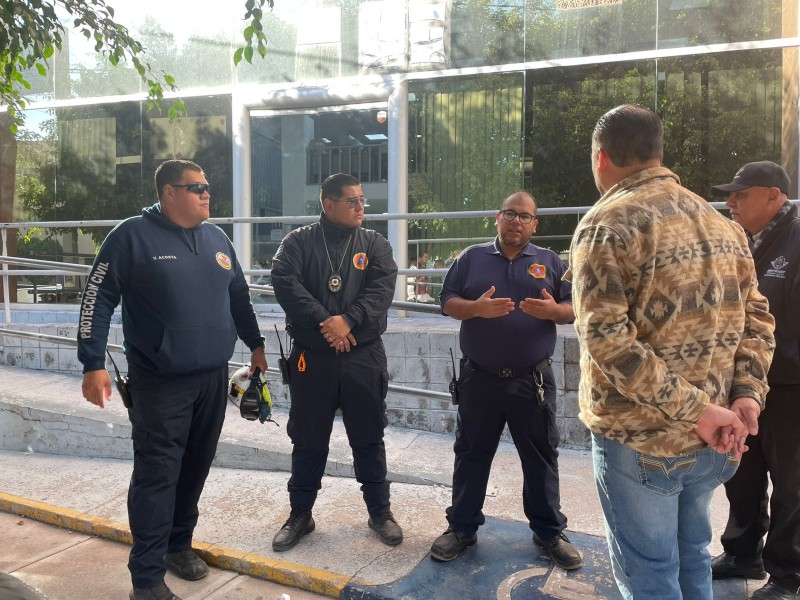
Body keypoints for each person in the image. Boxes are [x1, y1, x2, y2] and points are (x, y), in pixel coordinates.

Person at [566, 105, 775, 600]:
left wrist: (701, 411)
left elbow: (608, 344)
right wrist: (748, 394)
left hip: (642, 443)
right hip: (715, 442)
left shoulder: (606, 225)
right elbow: (758, 319)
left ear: (600, 158)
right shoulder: (724, 225)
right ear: (657, 152)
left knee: (650, 574)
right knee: (693, 556)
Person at [78, 159, 267, 600]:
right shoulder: (130, 236)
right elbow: (96, 299)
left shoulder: (217, 238)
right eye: (196, 187)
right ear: (169, 192)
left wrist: (256, 344)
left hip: (212, 378)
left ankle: (178, 546)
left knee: (195, 467)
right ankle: (146, 581)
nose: (206, 193)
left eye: (207, 186)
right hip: (160, 382)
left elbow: (238, 296)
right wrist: (92, 362)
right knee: (157, 475)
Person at [430, 191, 582, 570]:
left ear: (535, 224)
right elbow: (446, 301)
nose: (516, 221)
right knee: (471, 454)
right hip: (478, 378)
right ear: (497, 218)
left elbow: (575, 309)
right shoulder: (471, 258)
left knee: (541, 457)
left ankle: (549, 532)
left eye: (524, 216)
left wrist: (554, 311)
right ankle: (462, 528)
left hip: (532, 381)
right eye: (510, 214)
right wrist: (476, 309)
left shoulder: (550, 261)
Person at [269, 172, 402, 551]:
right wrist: (327, 322)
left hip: (363, 355)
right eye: (352, 201)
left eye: (362, 200)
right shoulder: (297, 242)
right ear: (328, 204)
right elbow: (285, 282)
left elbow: (381, 291)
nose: (361, 207)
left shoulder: (375, 243)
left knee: (369, 436)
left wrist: (349, 320)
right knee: (308, 438)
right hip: (313, 357)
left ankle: (380, 512)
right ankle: (301, 514)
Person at [710, 161, 800, 600]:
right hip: (743, 385)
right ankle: (742, 552)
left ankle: (787, 574)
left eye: (741, 194)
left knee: (792, 484)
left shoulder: (796, 240)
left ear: (773, 196)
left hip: (788, 387)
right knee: (741, 472)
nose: (731, 202)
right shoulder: (739, 240)